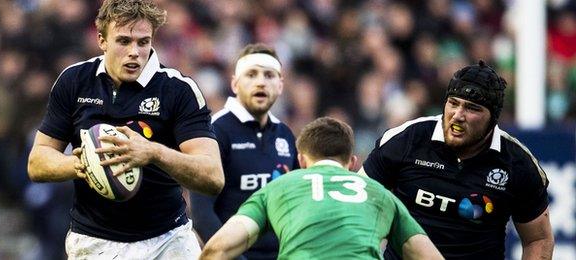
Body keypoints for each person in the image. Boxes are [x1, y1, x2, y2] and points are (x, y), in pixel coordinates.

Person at [27, 0, 224, 258]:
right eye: (123, 41)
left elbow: (213, 177)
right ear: (102, 40)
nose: (135, 52)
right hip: (94, 243)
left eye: (143, 42)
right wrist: (86, 165)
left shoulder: (179, 89)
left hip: (168, 241)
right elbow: (37, 162)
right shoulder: (74, 81)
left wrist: (154, 153)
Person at [359, 60, 554, 259]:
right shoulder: (406, 140)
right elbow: (357, 206)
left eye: (472, 108)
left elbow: (538, 239)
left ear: (493, 119)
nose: (458, 115)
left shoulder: (517, 163)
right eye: (453, 103)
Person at [200, 117, 444, 260]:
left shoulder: (279, 187)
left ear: (301, 161)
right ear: (352, 163)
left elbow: (217, 248)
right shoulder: (379, 194)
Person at [189, 43, 299, 259]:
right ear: (235, 84)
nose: (260, 82)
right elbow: (202, 215)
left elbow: (296, 205)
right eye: (251, 74)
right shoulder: (215, 131)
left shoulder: (285, 135)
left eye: (269, 75)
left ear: (280, 85)